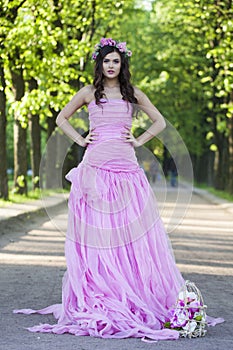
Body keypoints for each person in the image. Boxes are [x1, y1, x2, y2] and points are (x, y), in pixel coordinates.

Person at [14, 38, 224, 341]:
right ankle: (101, 291)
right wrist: (80, 138)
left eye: (116, 61)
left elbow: (160, 121)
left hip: (126, 170)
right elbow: (62, 117)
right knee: (99, 237)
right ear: (99, 64)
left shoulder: (133, 93)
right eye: (106, 60)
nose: (111, 65)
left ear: (122, 65)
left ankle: (131, 292)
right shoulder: (88, 93)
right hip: (95, 170)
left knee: (128, 238)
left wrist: (139, 140)